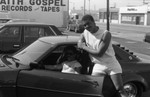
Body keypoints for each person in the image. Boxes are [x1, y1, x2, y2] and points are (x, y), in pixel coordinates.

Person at [78, 14, 127, 97]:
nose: (86, 27)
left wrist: (83, 46)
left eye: (88, 24)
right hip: (98, 65)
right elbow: (80, 41)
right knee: (94, 90)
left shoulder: (105, 34)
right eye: (84, 25)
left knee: (120, 90)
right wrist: (80, 42)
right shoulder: (85, 32)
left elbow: (99, 53)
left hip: (111, 64)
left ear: (94, 22)